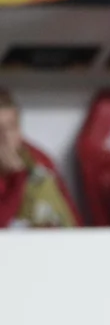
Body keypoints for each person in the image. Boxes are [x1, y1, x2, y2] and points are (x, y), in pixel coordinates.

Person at [0, 89, 82, 228]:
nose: (6, 138)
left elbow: (70, 221)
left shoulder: (37, 161)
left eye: (11, 127)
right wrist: (17, 178)